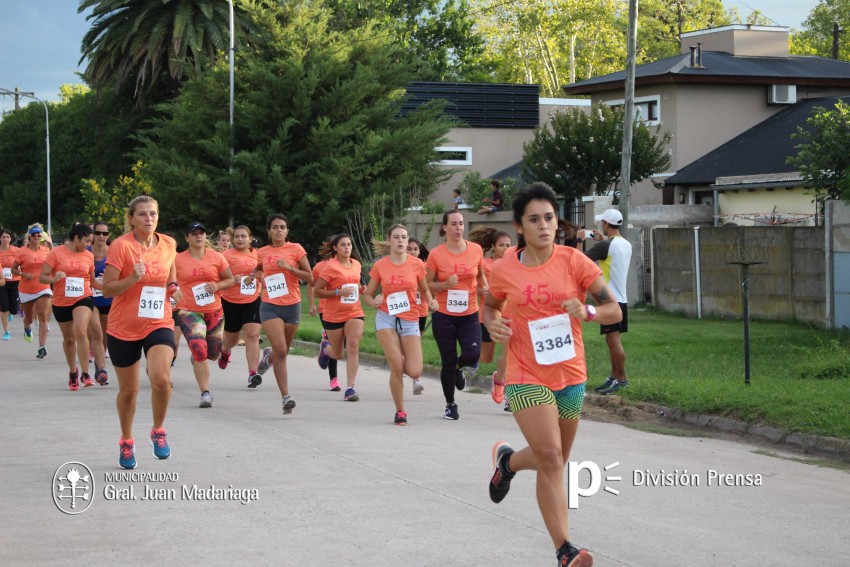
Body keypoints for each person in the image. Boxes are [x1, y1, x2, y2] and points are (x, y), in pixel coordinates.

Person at [484, 182, 622, 567]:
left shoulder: (575, 261)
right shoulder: (504, 267)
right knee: (549, 456)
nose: (544, 226)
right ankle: (565, 550)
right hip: (526, 373)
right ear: (519, 227)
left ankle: (507, 464)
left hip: (571, 373)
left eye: (548, 218)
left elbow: (614, 311)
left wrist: (589, 313)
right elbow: (491, 307)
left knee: (556, 460)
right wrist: (493, 324)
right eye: (534, 220)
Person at [102, 195, 181, 470]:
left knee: (161, 378)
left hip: (158, 320)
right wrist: (132, 279)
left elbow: (170, 275)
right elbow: (107, 288)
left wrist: (173, 289)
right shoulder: (120, 247)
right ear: (131, 219)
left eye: (153, 214)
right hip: (123, 326)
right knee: (129, 392)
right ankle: (126, 440)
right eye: (143, 214)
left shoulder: (169, 243)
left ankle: (158, 430)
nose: (149, 219)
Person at [364, 224, 437, 425]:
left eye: (404, 237)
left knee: (414, 371)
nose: (400, 241)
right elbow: (368, 295)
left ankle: (404, 360)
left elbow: (425, 289)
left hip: (410, 318)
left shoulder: (417, 265)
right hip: (386, 317)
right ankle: (400, 411)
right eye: (396, 237)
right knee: (397, 366)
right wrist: (374, 301)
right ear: (389, 241)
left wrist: (430, 301)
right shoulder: (380, 265)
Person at [425, 210, 487, 420]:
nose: (458, 227)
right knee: (447, 359)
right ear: (445, 227)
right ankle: (450, 404)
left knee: (472, 355)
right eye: (453, 224)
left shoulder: (476, 250)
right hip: (444, 314)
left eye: (461, 223)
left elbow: (480, 274)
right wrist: (443, 285)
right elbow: (427, 284)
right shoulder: (436, 254)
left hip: (469, 312)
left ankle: (459, 367)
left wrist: (484, 287)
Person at [251, 213, 312, 415]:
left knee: (282, 351)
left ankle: (268, 358)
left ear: (287, 231)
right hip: (269, 305)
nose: (279, 230)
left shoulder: (296, 249)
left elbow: (310, 277)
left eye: (282, 227)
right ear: (269, 231)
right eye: (275, 227)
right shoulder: (262, 252)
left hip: (292, 305)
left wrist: (290, 268)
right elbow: (258, 269)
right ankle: (286, 397)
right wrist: (255, 276)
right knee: (281, 349)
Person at [174, 222, 234, 407]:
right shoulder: (177, 260)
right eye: (194, 234)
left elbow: (230, 279)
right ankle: (205, 393)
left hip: (214, 309)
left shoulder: (216, 257)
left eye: (201, 233)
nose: (199, 236)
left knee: (213, 354)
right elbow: (169, 281)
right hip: (188, 310)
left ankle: (200, 355)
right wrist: (173, 290)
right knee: (199, 349)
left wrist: (217, 286)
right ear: (187, 238)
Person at [40, 223, 105, 389]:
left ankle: (85, 373)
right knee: (69, 339)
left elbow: (91, 281)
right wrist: (54, 279)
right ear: (76, 238)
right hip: (62, 301)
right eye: (87, 241)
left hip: (83, 297)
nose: (89, 245)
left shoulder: (88, 256)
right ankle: (73, 371)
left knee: (81, 331)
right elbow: (42, 277)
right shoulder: (56, 253)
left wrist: (109, 287)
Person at [585, 209, 632, 395]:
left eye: (601, 223)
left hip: (610, 301)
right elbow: (610, 255)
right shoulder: (625, 244)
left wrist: (585, 241)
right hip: (621, 298)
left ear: (606, 224)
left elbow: (582, 259)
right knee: (611, 339)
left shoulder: (606, 245)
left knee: (613, 340)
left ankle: (621, 379)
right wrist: (601, 242)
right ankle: (614, 377)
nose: (600, 226)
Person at [315, 234, 365, 402]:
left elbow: (355, 284)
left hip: (354, 311)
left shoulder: (356, 264)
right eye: (343, 245)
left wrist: (361, 289)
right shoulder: (330, 267)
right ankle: (325, 349)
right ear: (335, 248)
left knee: (353, 346)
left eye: (349, 244)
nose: (347, 247)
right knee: (337, 353)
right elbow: (317, 291)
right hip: (334, 314)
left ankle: (350, 388)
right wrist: (338, 292)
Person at [468, 226, 513, 409]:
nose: (505, 248)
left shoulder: (516, 264)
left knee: (511, 356)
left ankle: (509, 393)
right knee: (486, 358)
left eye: (508, 245)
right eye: (501, 245)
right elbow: (474, 285)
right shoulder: (485, 264)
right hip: (488, 315)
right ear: (493, 247)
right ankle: (497, 376)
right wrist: (479, 289)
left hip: (510, 315)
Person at [219, 225, 265, 388]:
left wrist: (256, 277)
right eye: (237, 237)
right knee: (231, 339)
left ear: (250, 238)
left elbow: (262, 272)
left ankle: (253, 373)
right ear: (233, 239)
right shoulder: (226, 256)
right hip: (230, 301)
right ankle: (225, 350)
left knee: (252, 335)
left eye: (243, 236)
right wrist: (233, 279)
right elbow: (219, 277)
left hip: (252, 300)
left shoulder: (258, 256)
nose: (240, 239)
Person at [12, 225, 53, 358]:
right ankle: (27, 327)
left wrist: (50, 244)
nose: (36, 237)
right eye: (34, 234)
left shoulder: (46, 250)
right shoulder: (22, 251)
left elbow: (55, 260)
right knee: (29, 318)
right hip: (27, 289)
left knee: (42, 315)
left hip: (43, 288)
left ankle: (42, 346)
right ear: (29, 237)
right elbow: (14, 269)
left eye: (38, 235)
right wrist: (23, 274)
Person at [308, 243, 341, 391]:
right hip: (326, 309)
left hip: (348, 310)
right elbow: (311, 285)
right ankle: (334, 379)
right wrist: (311, 305)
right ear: (334, 248)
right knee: (335, 344)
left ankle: (325, 348)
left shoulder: (352, 265)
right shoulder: (321, 267)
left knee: (340, 346)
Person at [405, 237, 430, 395]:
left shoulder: (424, 267)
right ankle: (407, 371)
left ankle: (416, 379)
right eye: (409, 249)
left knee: (415, 345)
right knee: (404, 347)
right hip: (403, 312)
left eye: (415, 249)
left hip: (421, 311)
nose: (413, 252)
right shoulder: (400, 267)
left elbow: (430, 287)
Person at [88, 220, 112, 381]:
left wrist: (109, 278)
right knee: (96, 332)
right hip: (90, 297)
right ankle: (101, 369)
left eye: (104, 233)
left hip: (109, 299)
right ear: (93, 235)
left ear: (108, 235)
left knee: (105, 335)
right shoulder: (85, 253)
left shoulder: (113, 253)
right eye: (98, 233)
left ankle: (100, 361)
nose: (101, 236)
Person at [0, 228, 21, 341]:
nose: (5, 239)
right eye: (3, 237)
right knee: (4, 307)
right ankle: (6, 331)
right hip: (1, 282)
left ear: (10, 238)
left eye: (7, 237)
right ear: (0, 238)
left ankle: (11, 313)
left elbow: (22, 262)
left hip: (15, 281)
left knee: (13, 309)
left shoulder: (16, 250)